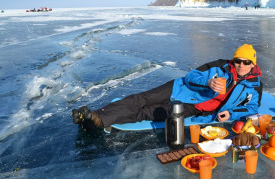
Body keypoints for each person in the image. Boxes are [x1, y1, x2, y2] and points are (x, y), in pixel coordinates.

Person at [72, 44, 263, 131]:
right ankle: (93, 114)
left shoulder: (254, 85)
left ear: (252, 64)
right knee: (141, 99)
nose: (241, 65)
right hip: (179, 89)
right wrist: (208, 82)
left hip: (194, 107)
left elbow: (252, 108)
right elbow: (191, 76)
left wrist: (231, 114)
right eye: (238, 60)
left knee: (148, 113)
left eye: (246, 62)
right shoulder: (220, 67)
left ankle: (99, 120)